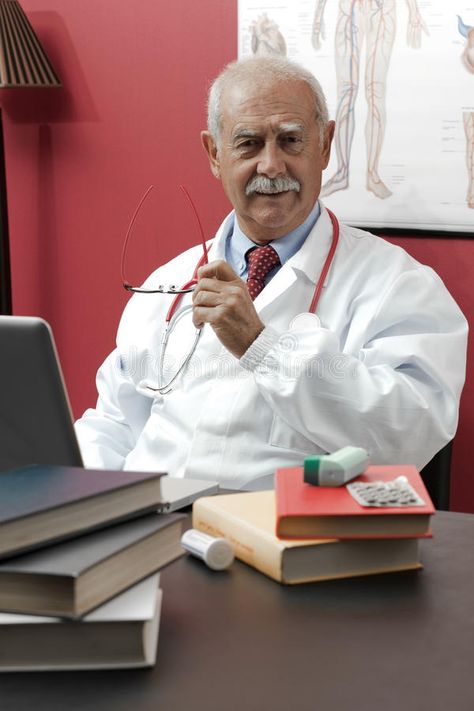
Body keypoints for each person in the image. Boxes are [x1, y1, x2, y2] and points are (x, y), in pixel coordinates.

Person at [75, 56, 467, 490]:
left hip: (288, 536)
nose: (271, 166)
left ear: (325, 145)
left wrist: (263, 348)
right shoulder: (164, 284)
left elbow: (410, 431)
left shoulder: (400, 286)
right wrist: (74, 492)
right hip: (151, 524)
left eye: (291, 140)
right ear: (214, 154)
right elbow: (115, 423)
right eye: (248, 143)